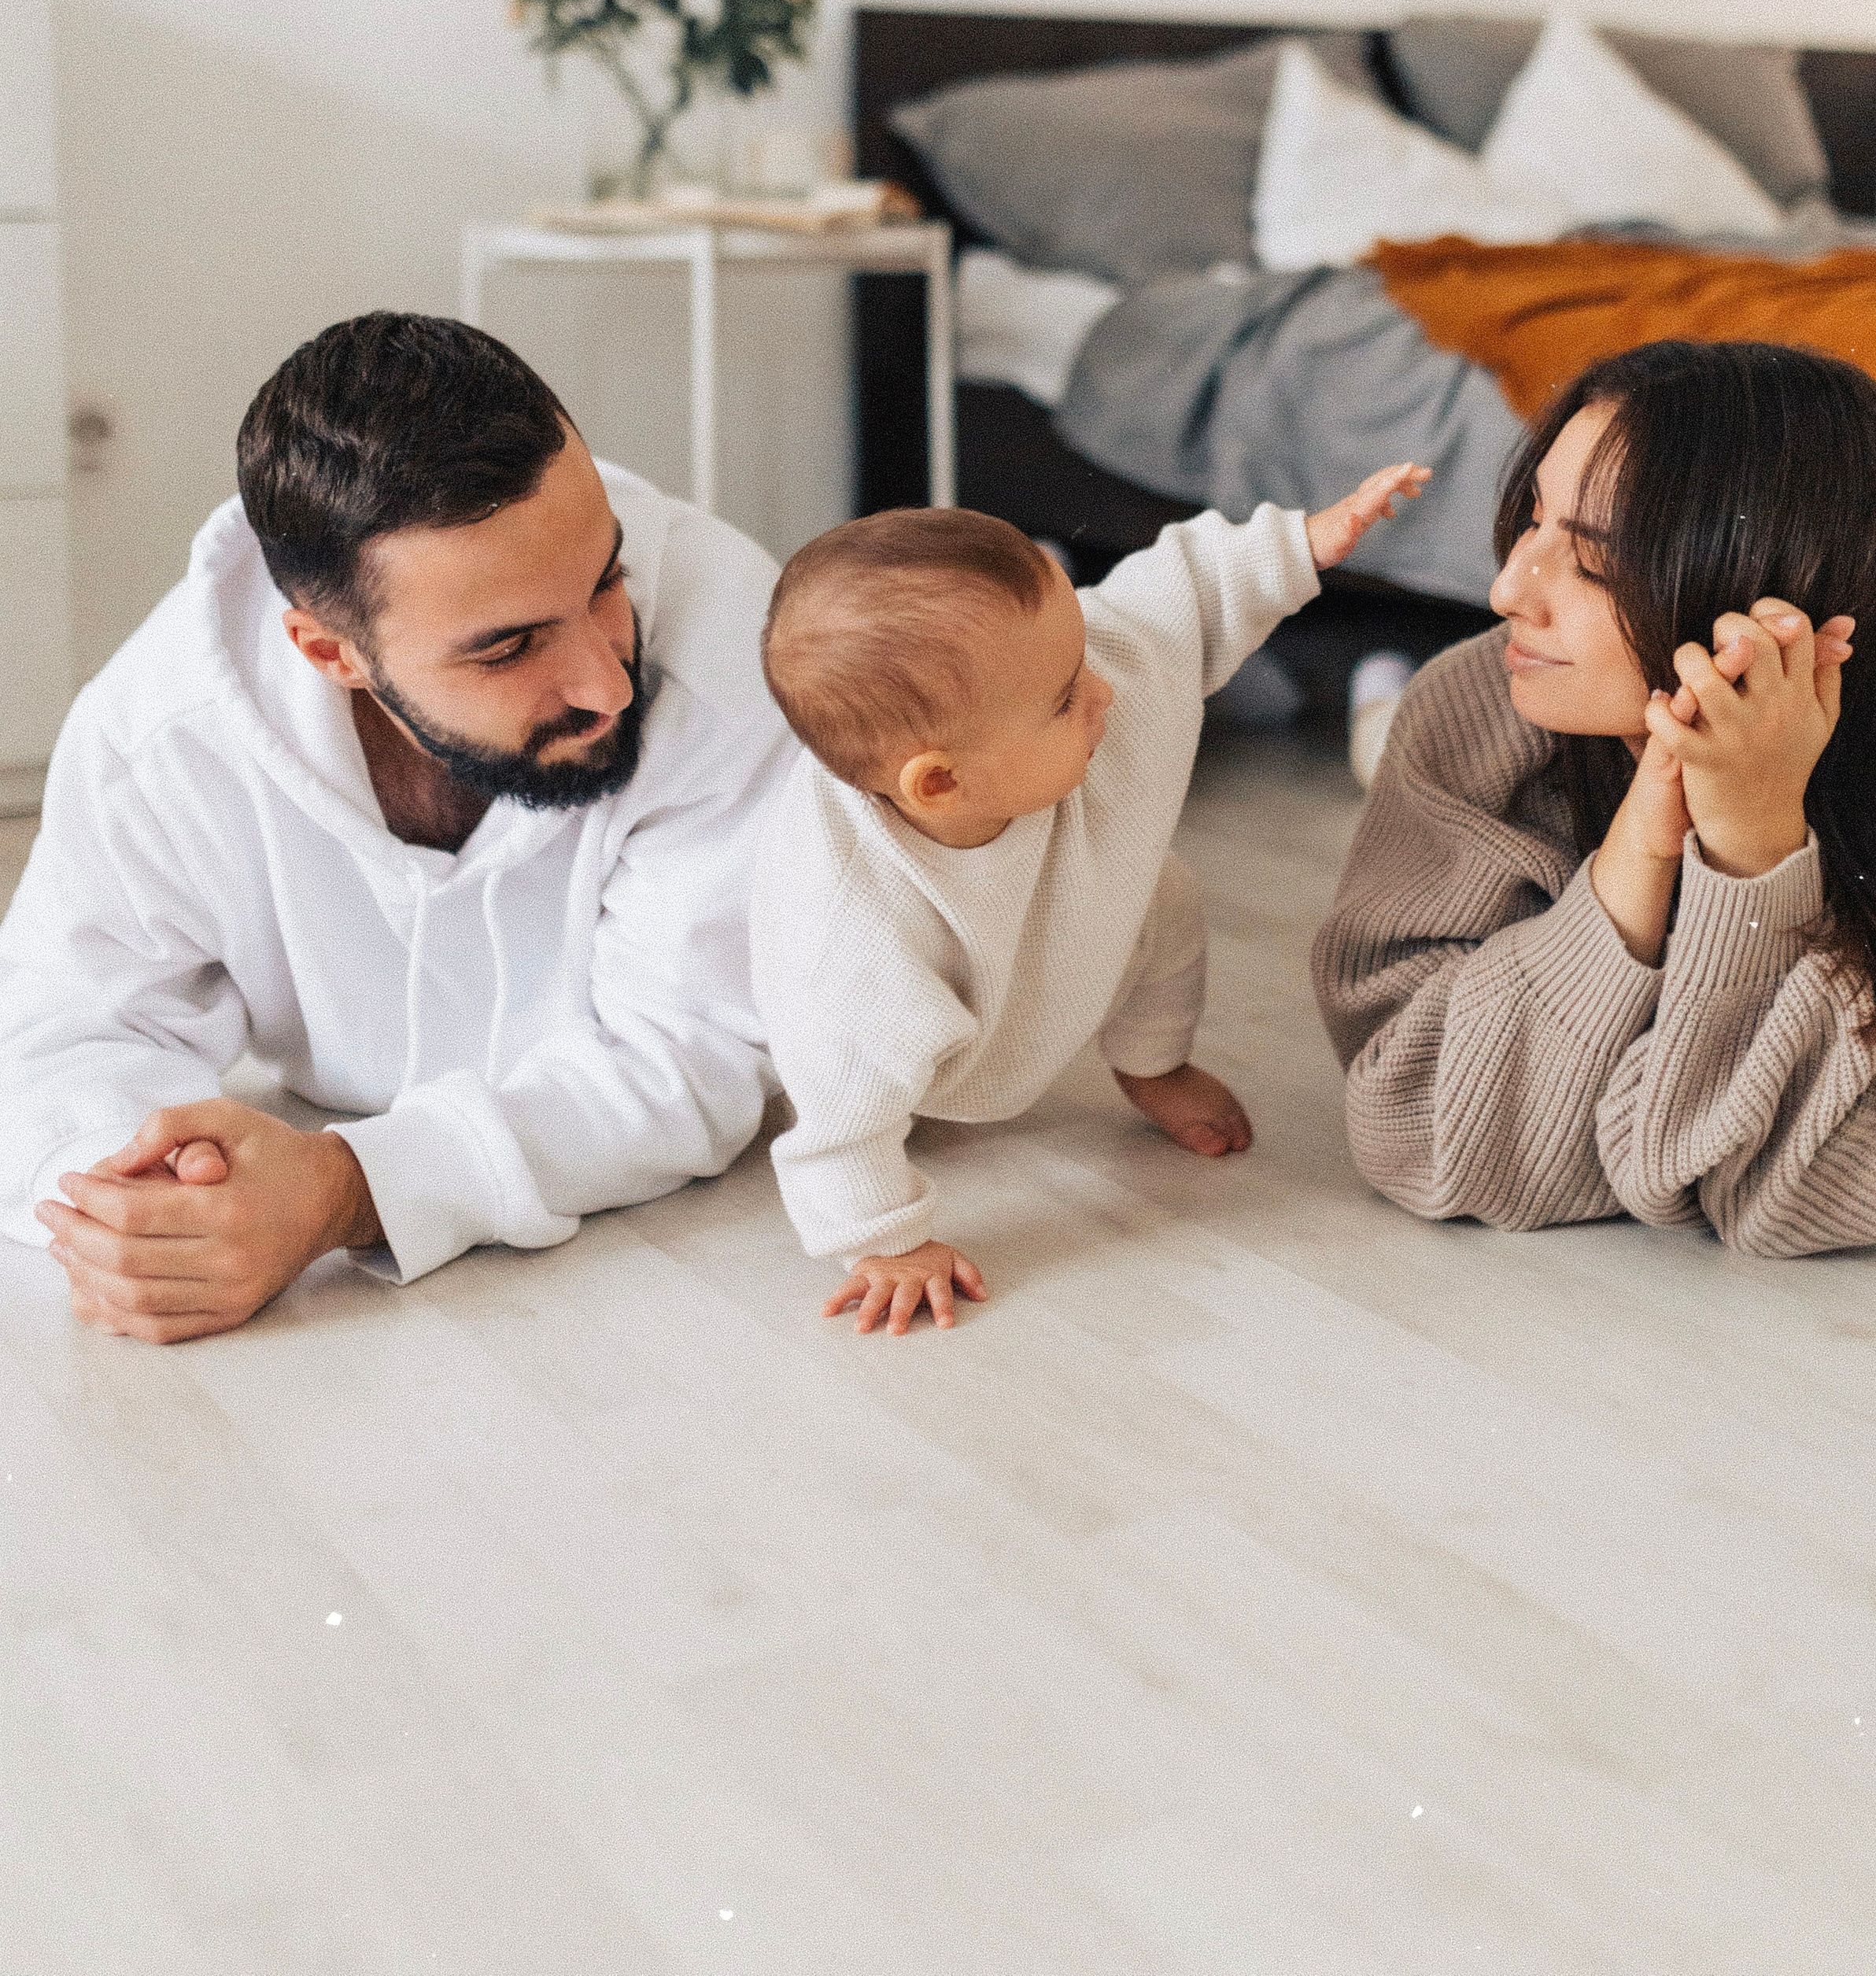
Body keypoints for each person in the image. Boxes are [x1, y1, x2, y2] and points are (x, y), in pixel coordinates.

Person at [0, 312, 794, 1339]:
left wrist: (342, 1189)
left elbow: (693, 1053)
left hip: (664, 1271)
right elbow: (62, 1029)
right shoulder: (157, 734)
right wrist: (165, 1204)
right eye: (508, 648)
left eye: (606, 579)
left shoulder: (743, 653)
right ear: (332, 655)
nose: (607, 681)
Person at [1314, 340, 1876, 1258]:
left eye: (1595, 564)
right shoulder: (1474, 707)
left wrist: (1753, 852)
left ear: (1758, 596)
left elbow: (1801, 1200)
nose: (1506, 591)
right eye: (1531, 523)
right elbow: (1417, 1132)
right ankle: (1358, 692)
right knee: (1399, 727)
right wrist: (1634, 860)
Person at [752, 463, 1429, 1333]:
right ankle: (914, 1122)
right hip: (913, 1003)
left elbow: (1167, 594)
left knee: (1164, 900)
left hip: (1070, 906)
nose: (1103, 685)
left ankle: (1153, 1064)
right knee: (876, 1082)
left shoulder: (1069, 669)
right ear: (942, 782)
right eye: (1068, 697)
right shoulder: (847, 935)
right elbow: (836, 1113)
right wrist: (883, 1240)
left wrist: (1299, 544)